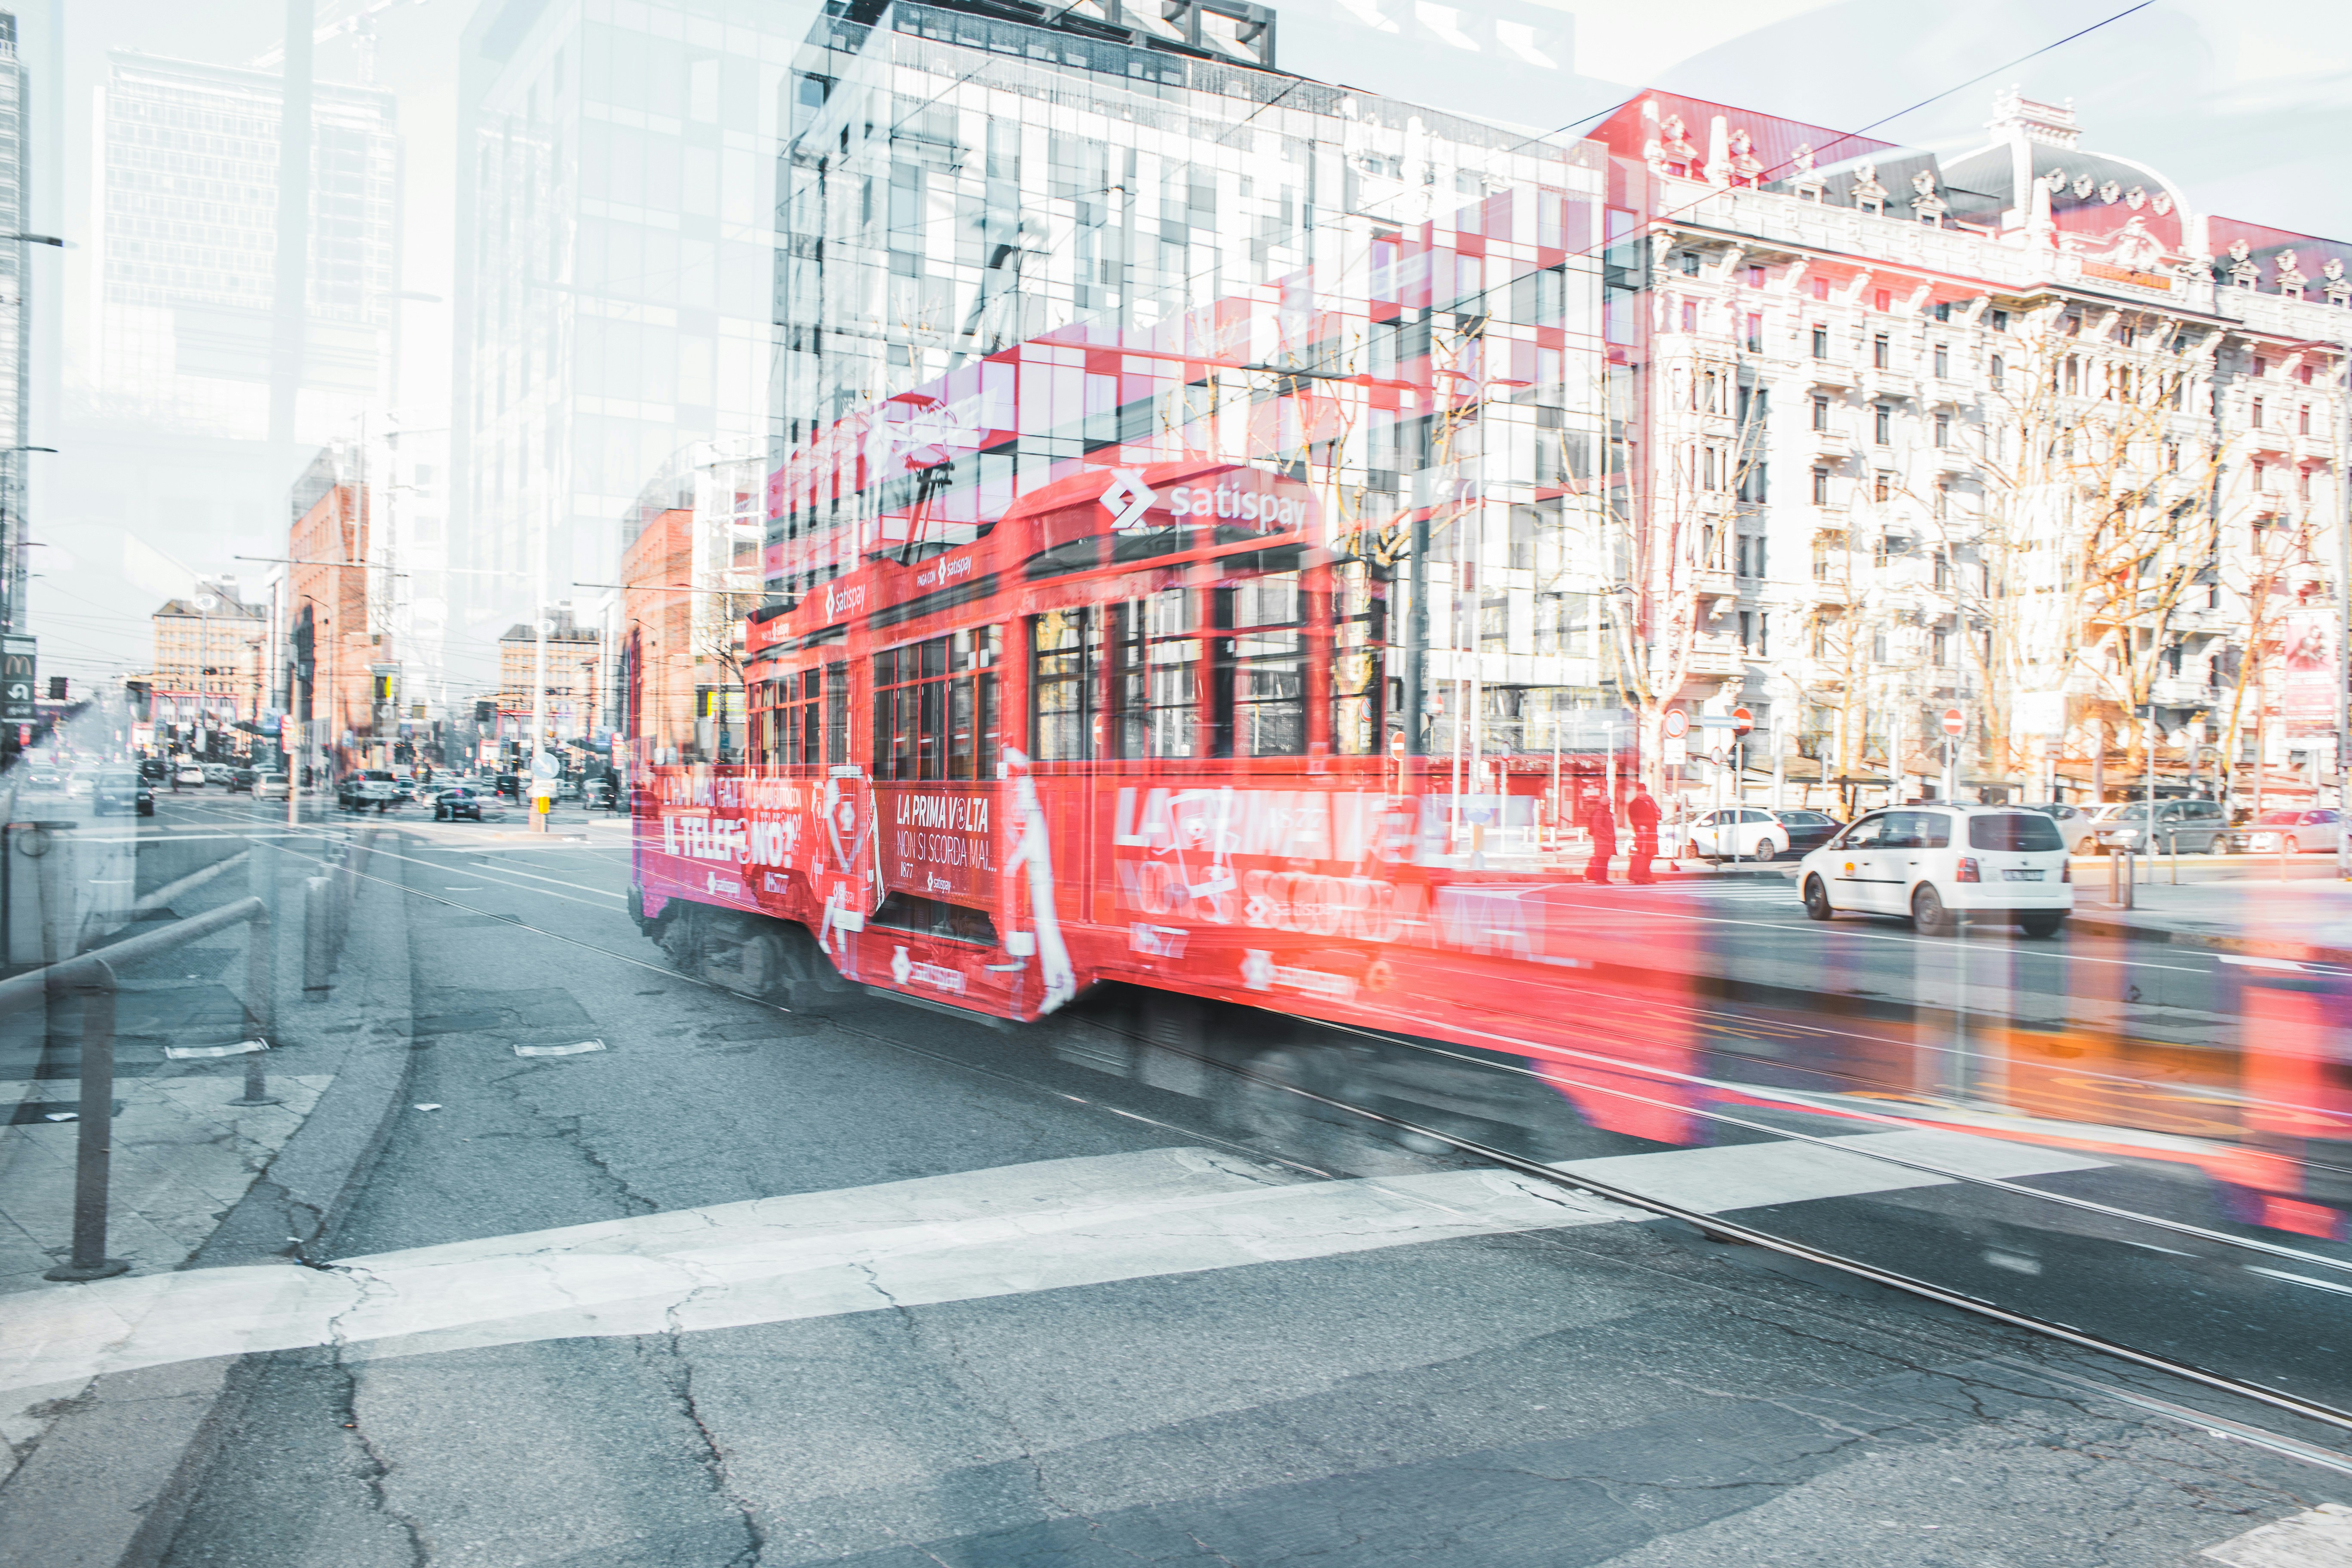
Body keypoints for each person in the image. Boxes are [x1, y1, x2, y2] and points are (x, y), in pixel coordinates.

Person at [1626, 782, 1661, 884]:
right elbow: (1633, 818)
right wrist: (1639, 826)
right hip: (1643, 833)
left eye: (1643, 791)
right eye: (1640, 791)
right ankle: (1640, 876)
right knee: (1643, 855)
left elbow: (1658, 813)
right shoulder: (1634, 804)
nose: (1642, 793)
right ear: (1637, 792)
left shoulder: (1650, 801)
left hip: (1652, 832)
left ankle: (1646, 875)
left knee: (1650, 855)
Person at [1585, 793, 1617, 885]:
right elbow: (1597, 826)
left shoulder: (1605, 812)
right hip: (1601, 840)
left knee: (1605, 859)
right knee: (1601, 860)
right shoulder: (1600, 812)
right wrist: (1607, 835)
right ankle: (1599, 879)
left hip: (1606, 840)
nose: (1610, 804)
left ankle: (1604, 878)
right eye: (1609, 803)